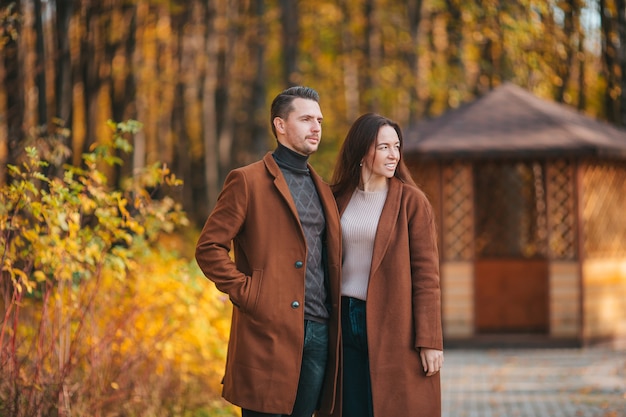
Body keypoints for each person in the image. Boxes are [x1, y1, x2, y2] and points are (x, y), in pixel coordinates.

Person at [195, 86, 342, 417]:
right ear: (280, 125)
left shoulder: (325, 189)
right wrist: (250, 293)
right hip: (268, 330)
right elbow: (209, 248)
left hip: (318, 330)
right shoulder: (247, 181)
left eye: (319, 120)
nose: (316, 127)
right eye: (306, 119)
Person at [326, 113, 444, 417]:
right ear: (362, 151)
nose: (394, 155)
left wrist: (430, 340)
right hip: (341, 318)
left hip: (393, 320)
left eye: (397, 146)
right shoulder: (336, 198)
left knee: (392, 405)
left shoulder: (412, 202)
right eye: (384, 147)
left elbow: (427, 276)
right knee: (349, 406)